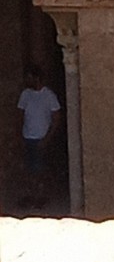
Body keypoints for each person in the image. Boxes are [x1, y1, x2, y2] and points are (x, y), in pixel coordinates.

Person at [16, 64, 61, 210]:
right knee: (29, 169)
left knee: (41, 170)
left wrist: (47, 138)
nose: (26, 80)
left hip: (42, 139)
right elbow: (20, 114)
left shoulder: (49, 95)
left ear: (37, 78)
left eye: (29, 77)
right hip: (28, 137)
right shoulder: (25, 94)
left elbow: (56, 118)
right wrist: (19, 135)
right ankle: (31, 196)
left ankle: (41, 196)